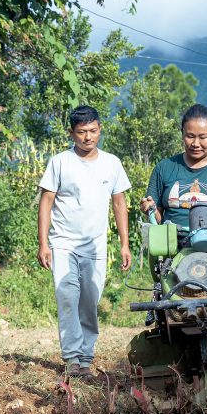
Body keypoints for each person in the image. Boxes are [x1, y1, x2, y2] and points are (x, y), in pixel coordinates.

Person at [37, 105, 132, 379]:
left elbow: (119, 203)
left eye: (93, 131)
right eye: (81, 132)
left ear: (100, 129)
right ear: (72, 133)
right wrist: (44, 243)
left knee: (90, 300)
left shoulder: (112, 163)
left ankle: (86, 357)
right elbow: (46, 202)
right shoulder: (60, 162)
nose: (88, 137)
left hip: (95, 246)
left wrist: (124, 244)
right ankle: (72, 359)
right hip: (63, 242)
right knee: (67, 296)